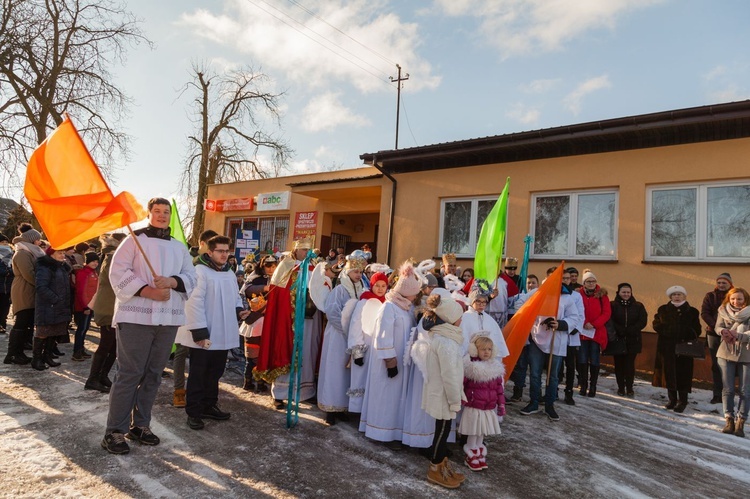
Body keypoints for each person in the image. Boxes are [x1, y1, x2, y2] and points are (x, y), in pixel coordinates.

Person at [102, 197, 197, 455]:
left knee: (154, 374)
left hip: (167, 319)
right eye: (157, 211)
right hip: (135, 317)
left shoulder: (179, 246)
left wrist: (173, 282)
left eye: (166, 212)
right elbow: (118, 273)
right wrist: (148, 291)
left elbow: (191, 276)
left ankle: (140, 425)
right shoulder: (133, 240)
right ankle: (114, 431)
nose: (163, 215)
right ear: (149, 214)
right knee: (130, 374)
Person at [176, 235, 247, 430]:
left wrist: (239, 310)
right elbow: (193, 302)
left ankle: (209, 405)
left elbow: (235, 297)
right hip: (205, 332)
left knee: (215, 371)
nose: (224, 255)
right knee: (199, 372)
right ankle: (194, 411)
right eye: (220, 251)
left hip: (222, 331)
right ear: (210, 252)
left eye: (227, 251)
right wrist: (199, 331)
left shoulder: (229, 272)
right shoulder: (200, 271)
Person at [255, 236, 323, 408]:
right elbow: (278, 293)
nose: (306, 253)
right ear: (296, 250)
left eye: (309, 250)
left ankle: (306, 391)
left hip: (311, 318)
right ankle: (280, 393)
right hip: (289, 318)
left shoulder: (315, 268)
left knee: (308, 349)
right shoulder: (286, 265)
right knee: (286, 349)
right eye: (303, 250)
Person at [359, 261, 421, 445]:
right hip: (388, 363)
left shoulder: (405, 307)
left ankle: (393, 432)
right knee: (385, 397)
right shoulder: (389, 307)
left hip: (402, 361)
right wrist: (390, 361)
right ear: (406, 292)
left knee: (396, 400)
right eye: (414, 293)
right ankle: (380, 431)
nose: (416, 297)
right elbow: (383, 336)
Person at [521, 269, 581, 421]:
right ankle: (534, 402)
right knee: (535, 373)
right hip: (537, 338)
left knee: (552, 375)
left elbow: (574, 317)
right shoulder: (538, 294)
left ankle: (549, 405)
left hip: (556, 339)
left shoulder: (566, 298)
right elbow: (522, 306)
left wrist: (560, 323)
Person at [421, 292, 466, 489]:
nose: (461, 319)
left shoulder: (446, 336)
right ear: (449, 318)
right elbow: (450, 375)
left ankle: (443, 465)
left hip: (444, 394)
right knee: (442, 432)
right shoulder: (446, 341)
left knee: (443, 429)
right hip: (444, 395)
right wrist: (455, 399)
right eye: (458, 315)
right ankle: (435, 469)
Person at [318, 253, 366, 424]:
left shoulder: (361, 290)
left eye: (360, 272)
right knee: (334, 371)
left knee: (347, 373)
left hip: (351, 337)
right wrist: (347, 329)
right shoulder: (340, 289)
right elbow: (332, 312)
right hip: (338, 337)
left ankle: (342, 406)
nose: (358, 275)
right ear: (347, 271)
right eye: (355, 272)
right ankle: (330, 409)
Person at [173, 229, 218, 408]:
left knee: (201, 356)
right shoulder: (186, 260)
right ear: (202, 244)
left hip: (204, 314)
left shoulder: (213, 265)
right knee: (181, 352)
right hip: (184, 312)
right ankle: (178, 391)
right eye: (210, 246)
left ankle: (200, 392)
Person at [85, 234, 125, 393]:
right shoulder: (112, 258)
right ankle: (92, 379)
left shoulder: (114, 257)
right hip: (108, 308)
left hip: (112, 307)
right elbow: (115, 280)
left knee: (113, 345)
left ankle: (102, 376)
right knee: (106, 345)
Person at [652, 285, 701, 414]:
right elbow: (656, 324)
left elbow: (697, 329)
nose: (677, 297)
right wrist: (668, 332)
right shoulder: (663, 309)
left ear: (684, 296)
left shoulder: (692, 311)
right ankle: (672, 400)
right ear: (670, 297)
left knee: (683, 374)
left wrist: (684, 334)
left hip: (684, 347)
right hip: (667, 347)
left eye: (679, 294)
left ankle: (683, 401)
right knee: (668, 373)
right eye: (674, 295)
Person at [460, 334, 505, 472]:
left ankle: (479, 452)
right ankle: (470, 454)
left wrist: (501, 404)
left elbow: (499, 389)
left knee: (482, 432)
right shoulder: (471, 368)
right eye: (483, 349)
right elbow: (461, 385)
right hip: (474, 407)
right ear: (475, 350)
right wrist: (459, 399)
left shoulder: (495, 368)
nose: (486, 352)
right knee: (474, 431)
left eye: (489, 349)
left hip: (488, 407)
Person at [348, 271, 388, 413]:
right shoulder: (364, 301)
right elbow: (356, 324)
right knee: (360, 378)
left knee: (374, 380)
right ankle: (356, 409)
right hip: (364, 346)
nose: (380, 289)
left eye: (383, 286)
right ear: (371, 285)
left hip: (377, 349)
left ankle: (369, 410)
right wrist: (357, 351)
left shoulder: (387, 303)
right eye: (377, 285)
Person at [5, 224, 45, 365]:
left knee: (27, 322)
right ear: (32, 240)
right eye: (38, 240)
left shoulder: (30, 252)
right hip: (23, 290)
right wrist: (42, 284)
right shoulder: (22, 253)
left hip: (29, 289)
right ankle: (13, 354)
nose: (40, 242)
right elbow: (28, 274)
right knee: (21, 322)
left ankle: (19, 351)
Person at [714, 287, 750, 438]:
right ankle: (729, 420)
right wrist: (722, 332)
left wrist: (739, 335)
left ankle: (741, 421)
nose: (736, 301)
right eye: (733, 298)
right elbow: (718, 327)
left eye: (739, 299)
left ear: (745, 299)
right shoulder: (722, 310)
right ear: (728, 299)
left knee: (745, 391)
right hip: (725, 352)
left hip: (746, 354)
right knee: (727, 389)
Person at [239, 254, 276, 392]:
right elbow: (247, 290)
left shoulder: (277, 278)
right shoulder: (254, 277)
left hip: (269, 322)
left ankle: (261, 382)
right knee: (252, 356)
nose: (271, 268)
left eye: (274, 266)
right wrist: (264, 288)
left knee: (264, 354)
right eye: (268, 265)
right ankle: (248, 381)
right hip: (254, 321)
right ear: (262, 265)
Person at [31, 246, 72, 371]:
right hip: (48, 306)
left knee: (54, 333)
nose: (62, 255)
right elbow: (41, 287)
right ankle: (36, 359)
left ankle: (47, 356)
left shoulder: (61, 266)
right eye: (59, 253)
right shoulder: (45, 267)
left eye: (63, 252)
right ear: (51, 254)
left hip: (59, 307)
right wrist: (55, 299)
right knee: (43, 333)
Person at [577, 269, 611, 398]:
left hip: (596, 332)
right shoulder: (578, 295)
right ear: (584, 283)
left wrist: (594, 324)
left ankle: (593, 386)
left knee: (595, 360)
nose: (591, 283)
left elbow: (606, 313)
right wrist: (584, 322)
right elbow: (577, 310)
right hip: (583, 332)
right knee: (582, 359)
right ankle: (583, 385)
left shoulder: (602, 295)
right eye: (588, 281)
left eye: (593, 281)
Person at [610, 283, 648, 397]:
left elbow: (643, 321)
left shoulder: (638, 306)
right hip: (617, 339)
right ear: (618, 292)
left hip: (633, 339)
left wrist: (632, 329)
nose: (626, 294)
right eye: (623, 292)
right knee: (619, 364)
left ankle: (630, 387)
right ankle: (621, 387)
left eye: (628, 292)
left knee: (629, 365)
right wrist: (619, 329)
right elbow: (610, 319)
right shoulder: (612, 305)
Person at [701, 273, 733, 404]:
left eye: (724, 283)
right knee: (716, 364)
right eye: (719, 282)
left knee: (730, 365)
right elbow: (705, 313)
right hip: (714, 334)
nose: (721, 285)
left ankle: (728, 393)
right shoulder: (710, 296)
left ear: (730, 284)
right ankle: (717, 394)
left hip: (732, 335)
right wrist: (718, 327)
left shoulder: (735, 296)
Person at [72, 251, 99, 361]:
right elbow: (81, 291)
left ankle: (81, 349)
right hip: (84, 307)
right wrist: (85, 307)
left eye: (97, 261)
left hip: (90, 305)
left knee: (84, 329)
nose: (95, 263)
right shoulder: (83, 273)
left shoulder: (93, 272)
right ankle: (76, 352)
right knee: (81, 329)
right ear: (87, 262)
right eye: (93, 261)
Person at [0, 234, 14, 335]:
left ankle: (2, 325)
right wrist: (10, 271)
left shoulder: (12, 254)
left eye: (6, 242)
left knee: (5, 307)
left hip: (8, 287)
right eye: (2, 242)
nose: (5, 244)